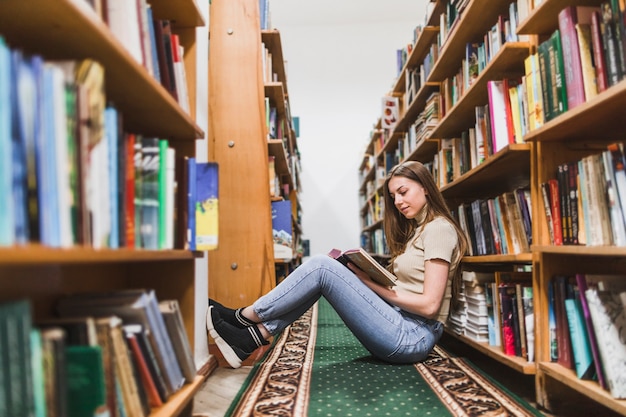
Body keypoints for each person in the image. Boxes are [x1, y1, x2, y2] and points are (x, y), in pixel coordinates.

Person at [207, 161, 468, 368]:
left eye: (403, 192)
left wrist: (368, 284)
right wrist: (368, 275)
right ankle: (249, 338)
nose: (398, 202)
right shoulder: (418, 230)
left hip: (412, 336)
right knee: (327, 272)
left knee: (322, 266)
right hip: (400, 323)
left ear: (424, 186)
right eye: (393, 197)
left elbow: (430, 305)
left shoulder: (439, 230)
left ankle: (244, 317)